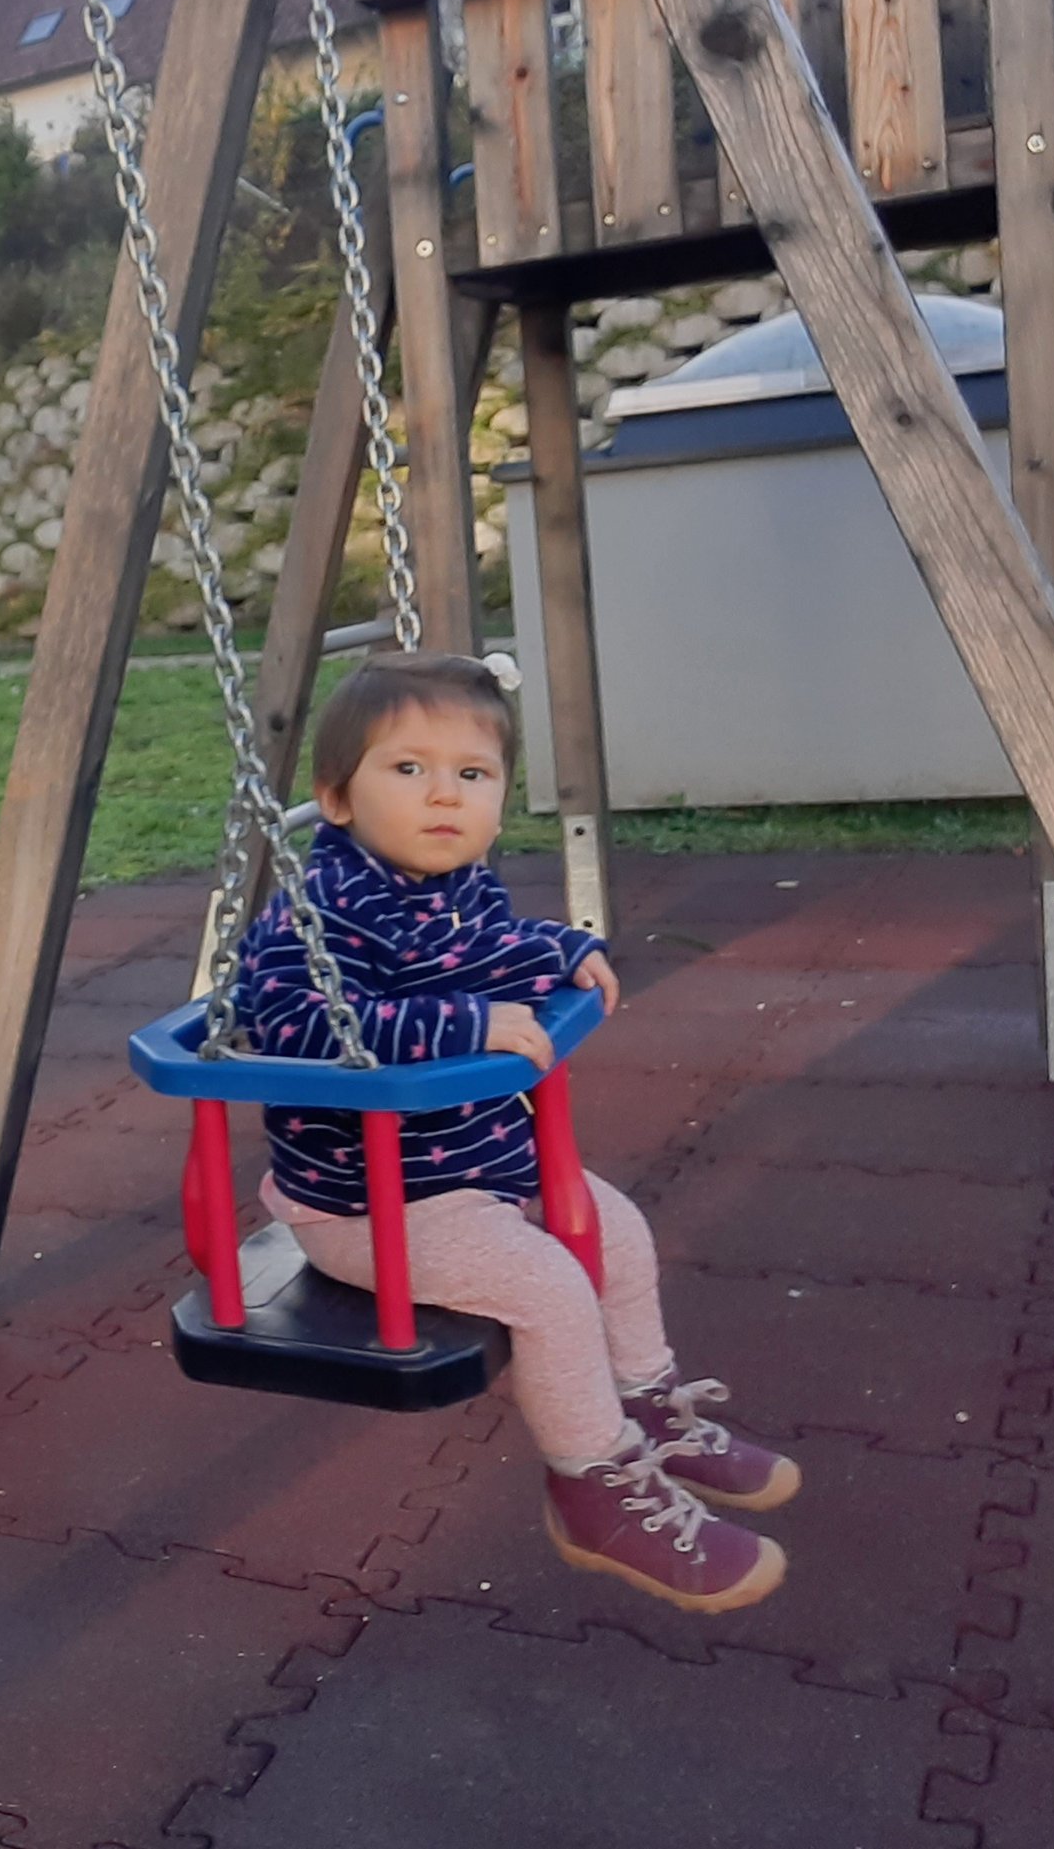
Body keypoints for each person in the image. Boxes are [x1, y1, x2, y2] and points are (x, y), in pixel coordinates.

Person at [231, 650, 797, 1615]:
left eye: (472, 773)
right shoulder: (317, 915)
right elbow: (285, 1021)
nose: (442, 793)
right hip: (370, 1204)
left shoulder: (455, 883)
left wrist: (559, 947)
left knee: (611, 1228)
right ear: (335, 798)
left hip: (472, 1165)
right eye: (406, 768)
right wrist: (460, 1025)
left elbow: (485, 947)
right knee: (547, 1285)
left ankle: (648, 1406)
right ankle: (592, 1486)